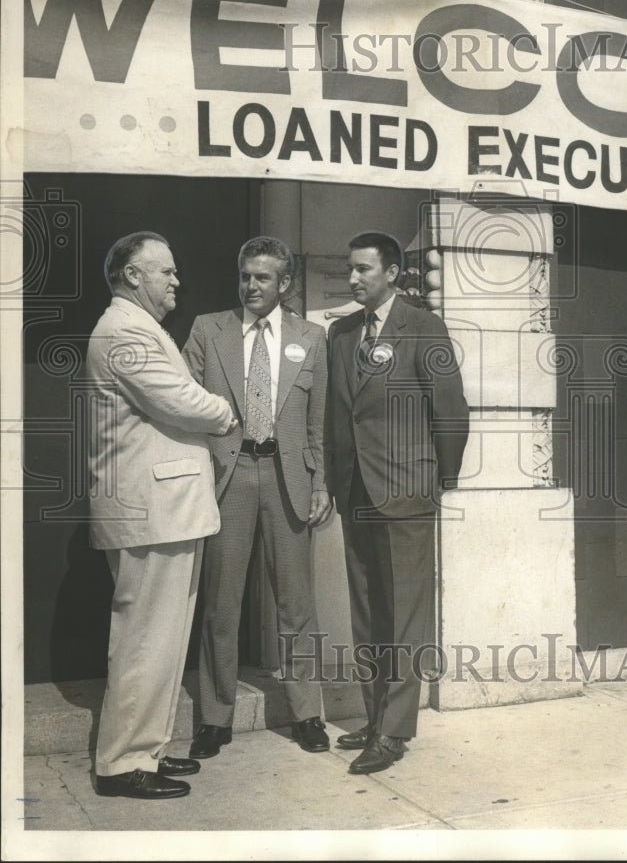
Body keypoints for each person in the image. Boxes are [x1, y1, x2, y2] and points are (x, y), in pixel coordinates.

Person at [87, 232, 236, 799]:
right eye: (165, 272)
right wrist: (228, 412)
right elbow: (178, 400)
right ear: (132, 275)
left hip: (165, 510)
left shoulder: (135, 327)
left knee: (162, 639)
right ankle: (122, 764)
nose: (176, 281)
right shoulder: (125, 329)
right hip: (151, 511)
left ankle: (145, 750)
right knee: (146, 640)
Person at [182, 236, 332, 758]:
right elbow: (183, 406)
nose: (250, 286)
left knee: (297, 605)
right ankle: (214, 718)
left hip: (289, 476)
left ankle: (306, 713)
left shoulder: (312, 337)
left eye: (262, 278)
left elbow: (319, 423)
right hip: (230, 475)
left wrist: (321, 484)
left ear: (284, 283)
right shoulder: (208, 329)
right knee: (221, 605)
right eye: (245, 276)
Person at [325, 231, 469, 775]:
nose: (353, 278)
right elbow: (336, 416)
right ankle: (375, 715)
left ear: (392, 272)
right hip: (355, 490)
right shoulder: (340, 334)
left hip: (407, 491)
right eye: (350, 269)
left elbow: (450, 410)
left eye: (363, 269)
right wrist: (334, 483)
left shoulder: (424, 326)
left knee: (405, 617)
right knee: (368, 615)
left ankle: (395, 730)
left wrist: (440, 478)